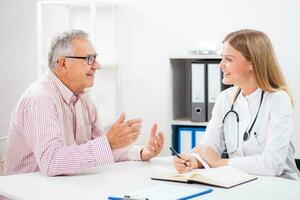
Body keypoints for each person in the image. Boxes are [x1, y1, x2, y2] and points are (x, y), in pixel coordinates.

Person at [4, 30, 164, 176]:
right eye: (89, 59)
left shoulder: (83, 98)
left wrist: (142, 152)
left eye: (95, 58)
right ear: (63, 64)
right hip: (28, 193)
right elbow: (51, 162)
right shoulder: (40, 99)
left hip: (64, 188)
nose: (97, 66)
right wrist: (108, 142)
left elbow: (103, 149)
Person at [173, 29, 300, 180]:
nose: (221, 65)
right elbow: (208, 147)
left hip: (280, 184)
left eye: (229, 59)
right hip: (239, 181)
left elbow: (272, 165)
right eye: (222, 58)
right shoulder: (225, 99)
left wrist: (220, 163)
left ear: (252, 63)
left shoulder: (278, 100)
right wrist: (194, 161)